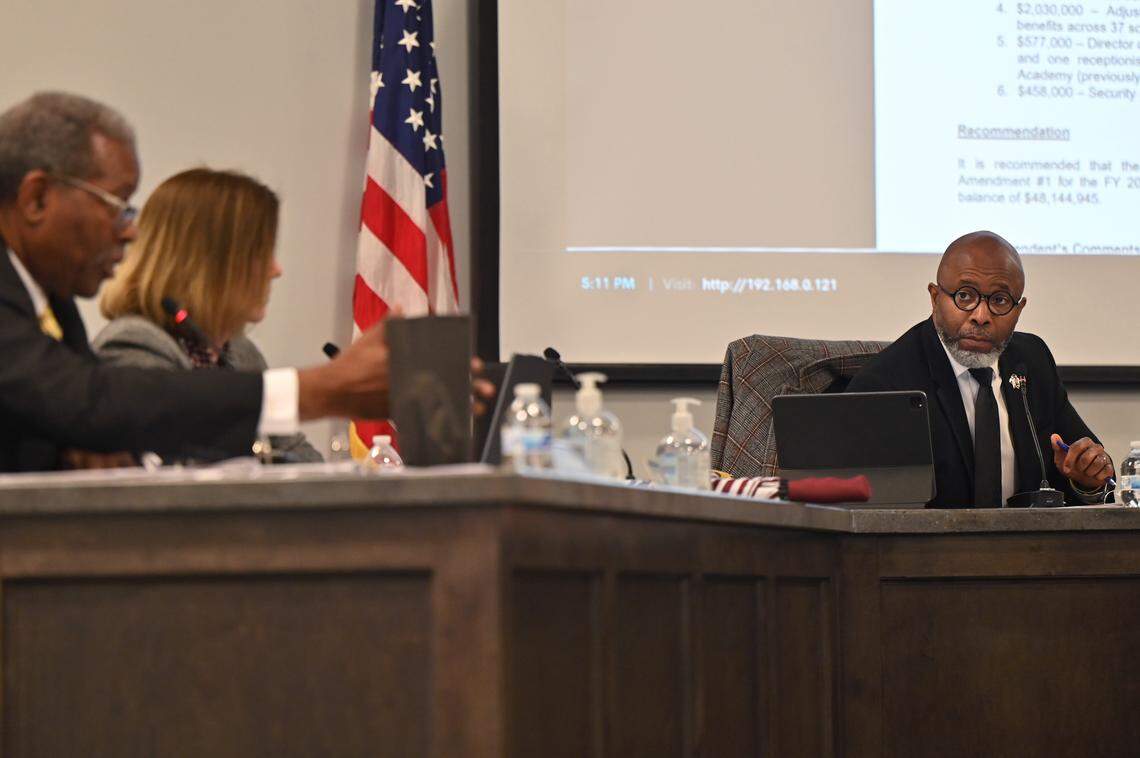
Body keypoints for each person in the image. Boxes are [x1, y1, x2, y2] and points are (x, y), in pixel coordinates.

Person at [0, 91, 398, 471]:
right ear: (37, 199)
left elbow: (87, 419)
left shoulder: (54, 302)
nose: (131, 231)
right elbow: (89, 399)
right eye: (117, 206)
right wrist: (315, 390)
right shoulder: (116, 334)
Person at [847, 230, 1113, 508]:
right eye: (964, 296)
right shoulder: (887, 382)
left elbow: (1087, 470)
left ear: (1019, 309)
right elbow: (869, 509)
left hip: (1029, 535)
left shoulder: (1032, 360)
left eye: (999, 300)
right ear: (935, 297)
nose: (981, 316)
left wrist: (1087, 479)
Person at [93, 168, 320, 463]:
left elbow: (303, 459)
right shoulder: (134, 346)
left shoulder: (241, 353)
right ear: (209, 264)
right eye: (261, 254)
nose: (276, 270)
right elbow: (185, 471)